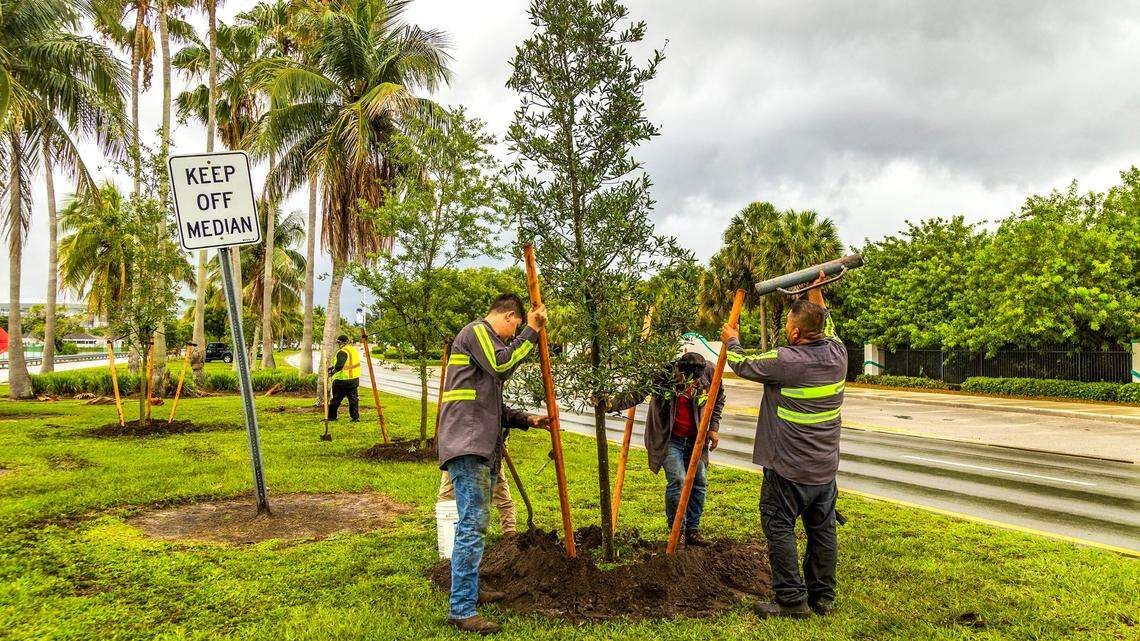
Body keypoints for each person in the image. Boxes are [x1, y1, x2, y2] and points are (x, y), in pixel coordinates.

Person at [721, 271, 846, 619]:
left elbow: (742, 364)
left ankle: (791, 601)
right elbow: (827, 323)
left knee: (778, 525)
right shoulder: (838, 354)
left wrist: (732, 338)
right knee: (822, 531)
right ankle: (823, 599)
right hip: (824, 471)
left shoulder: (786, 360)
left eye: (789, 326)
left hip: (787, 470)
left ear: (793, 333)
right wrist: (816, 290)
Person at [437, 293, 549, 635]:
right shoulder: (477, 332)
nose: (511, 338)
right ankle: (461, 610)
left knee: (473, 525)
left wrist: (525, 419)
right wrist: (532, 331)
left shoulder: (480, 350)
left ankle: (470, 591)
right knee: (473, 525)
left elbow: (489, 405)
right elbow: (503, 363)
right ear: (511, 316)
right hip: (468, 446)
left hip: (475, 444)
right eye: (514, 328)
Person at [609, 351, 725, 545]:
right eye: (686, 383)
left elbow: (718, 398)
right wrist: (611, 404)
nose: (690, 387)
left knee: (699, 480)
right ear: (678, 370)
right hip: (668, 438)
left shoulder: (710, 372)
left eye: (694, 384)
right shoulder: (663, 374)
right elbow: (637, 392)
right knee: (678, 479)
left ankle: (692, 532)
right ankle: (676, 531)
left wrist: (713, 428)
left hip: (696, 438)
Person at [326, 334, 361, 422]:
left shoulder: (342, 352)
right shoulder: (353, 350)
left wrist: (332, 372)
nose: (338, 345)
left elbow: (340, 366)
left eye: (338, 343)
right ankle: (355, 417)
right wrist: (332, 368)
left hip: (342, 381)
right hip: (354, 380)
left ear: (341, 343)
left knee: (336, 399)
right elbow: (348, 364)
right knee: (353, 399)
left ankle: (332, 417)